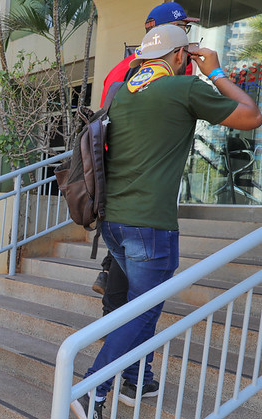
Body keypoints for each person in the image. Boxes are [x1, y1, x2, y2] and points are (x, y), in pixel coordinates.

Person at [71, 26, 262, 419]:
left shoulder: (122, 91)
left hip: (114, 224)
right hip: (150, 227)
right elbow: (251, 115)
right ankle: (92, 389)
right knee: (143, 311)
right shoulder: (186, 88)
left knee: (136, 308)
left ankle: (138, 380)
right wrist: (216, 72)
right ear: (180, 56)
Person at [93, 2, 200, 306]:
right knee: (139, 301)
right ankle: (115, 340)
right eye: (181, 28)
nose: (185, 37)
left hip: (124, 185)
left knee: (125, 277)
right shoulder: (156, 70)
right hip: (139, 188)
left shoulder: (131, 67)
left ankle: (113, 330)